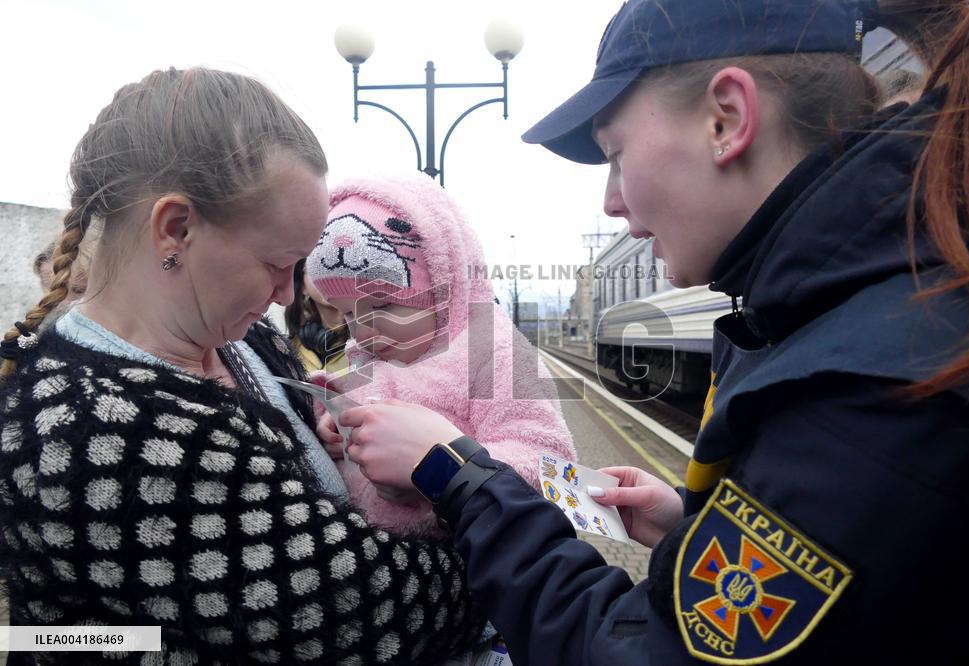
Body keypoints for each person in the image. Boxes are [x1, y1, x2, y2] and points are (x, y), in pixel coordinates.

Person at [329, 0, 969, 664]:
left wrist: (458, 473)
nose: (611, 200)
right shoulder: (878, 312)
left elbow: (640, 653)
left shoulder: (865, 392)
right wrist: (698, 525)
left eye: (615, 155)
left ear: (726, 118)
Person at [0, 67, 489, 664]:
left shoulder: (242, 341)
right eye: (276, 262)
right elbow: (371, 615)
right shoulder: (96, 425)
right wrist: (516, 537)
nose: (288, 295)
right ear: (176, 228)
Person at [307, 174, 575, 535]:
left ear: (443, 286)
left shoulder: (493, 355)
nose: (362, 331)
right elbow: (345, 404)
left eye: (384, 304)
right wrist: (333, 421)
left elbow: (550, 465)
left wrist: (438, 471)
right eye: (349, 314)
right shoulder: (367, 356)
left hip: (474, 568)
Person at [284, 258, 351, 374]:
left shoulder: (370, 336)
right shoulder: (291, 352)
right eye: (317, 268)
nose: (328, 278)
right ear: (303, 287)